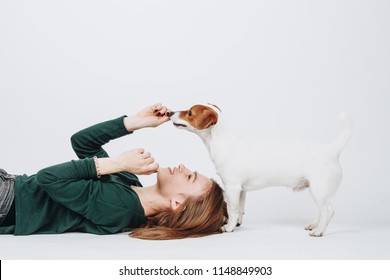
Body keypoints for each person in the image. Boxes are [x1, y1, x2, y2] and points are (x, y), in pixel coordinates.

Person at [0, 103, 227, 240]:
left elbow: (48, 178)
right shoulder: (129, 182)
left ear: (177, 204)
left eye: (189, 176)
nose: (183, 168)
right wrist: (134, 122)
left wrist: (115, 163)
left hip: (9, 202)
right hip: (9, 185)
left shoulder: (121, 208)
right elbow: (82, 143)